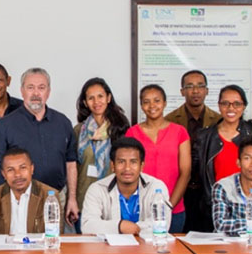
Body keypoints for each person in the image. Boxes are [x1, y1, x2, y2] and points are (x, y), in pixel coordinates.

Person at [0, 67, 79, 226]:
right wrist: (8, 200)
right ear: (22, 91)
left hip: (57, 197)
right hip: (20, 199)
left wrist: (72, 198)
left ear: (48, 92)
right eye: (30, 87)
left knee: (57, 246)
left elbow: (71, 163)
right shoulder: (4, 126)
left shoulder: (63, 122)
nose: (36, 93)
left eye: (41, 88)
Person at [126, 84, 191, 233]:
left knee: (171, 253)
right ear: (141, 105)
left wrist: (169, 206)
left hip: (174, 208)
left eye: (157, 100)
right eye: (146, 101)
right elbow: (128, 172)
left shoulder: (179, 132)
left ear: (165, 103)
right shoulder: (132, 132)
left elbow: (185, 172)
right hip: (141, 209)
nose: (152, 106)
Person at [195, 84, 252, 231]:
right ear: (219, 106)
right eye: (225, 103)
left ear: (244, 107)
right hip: (215, 206)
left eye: (237, 104)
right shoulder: (205, 136)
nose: (231, 108)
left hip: (246, 205)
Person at [165, 69, 221, 232]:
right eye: (189, 86)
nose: (195, 91)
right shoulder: (169, 120)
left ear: (207, 91)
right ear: (182, 91)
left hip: (207, 191)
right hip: (180, 189)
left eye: (200, 86)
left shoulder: (218, 120)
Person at [81, 137, 171, 237]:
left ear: (142, 166)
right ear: (112, 165)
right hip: (110, 250)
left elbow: (163, 223)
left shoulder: (156, 187)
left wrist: (134, 228)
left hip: (147, 249)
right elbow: (87, 226)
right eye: (121, 162)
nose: (127, 168)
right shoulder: (97, 189)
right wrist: (119, 227)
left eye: (133, 162)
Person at [73, 77, 130, 233]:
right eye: (91, 98)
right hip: (84, 197)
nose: (96, 101)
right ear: (85, 102)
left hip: (114, 197)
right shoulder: (79, 131)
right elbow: (74, 167)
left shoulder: (121, 129)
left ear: (108, 98)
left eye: (100, 96)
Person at [0, 148, 60, 234]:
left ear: (32, 169)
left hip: (37, 247)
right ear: (3, 174)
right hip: (4, 247)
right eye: (10, 170)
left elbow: (54, 234)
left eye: (23, 168)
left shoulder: (49, 196)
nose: (17, 174)